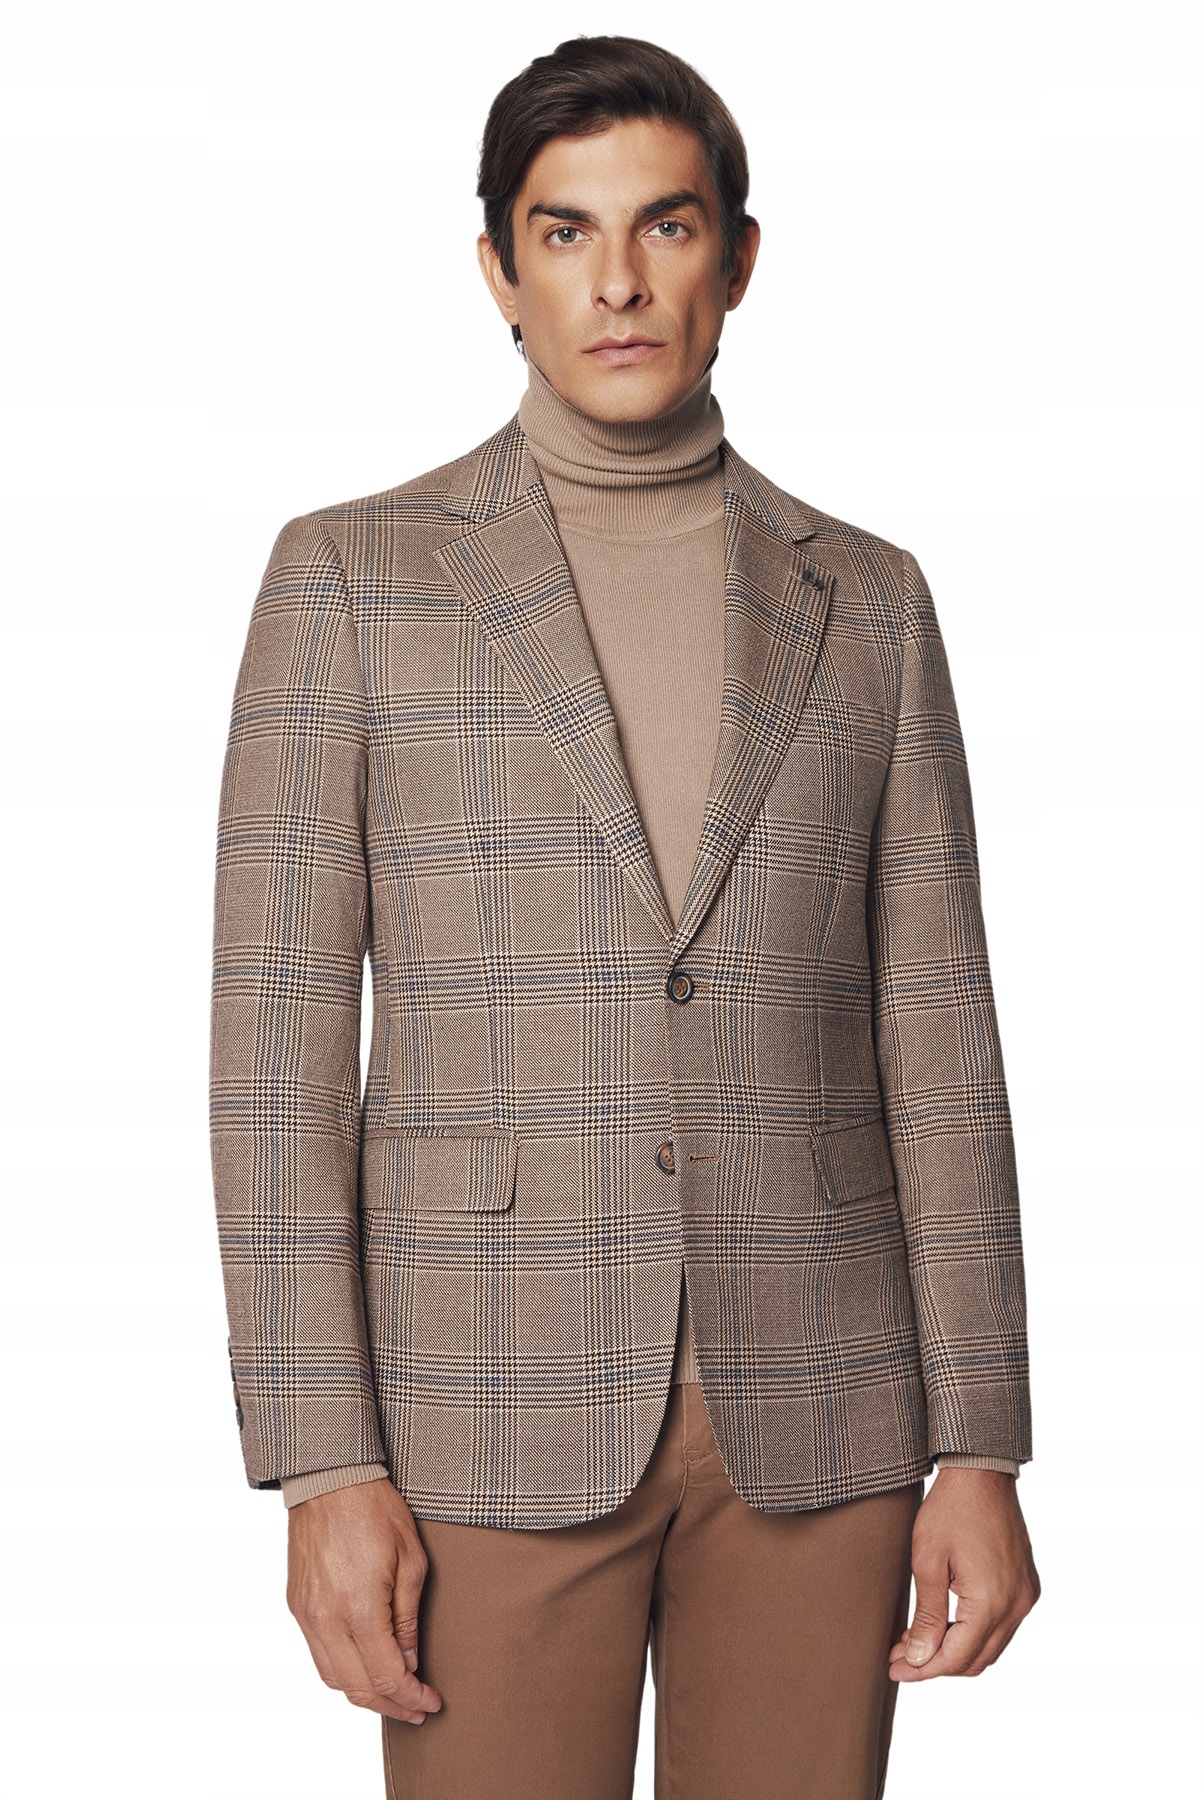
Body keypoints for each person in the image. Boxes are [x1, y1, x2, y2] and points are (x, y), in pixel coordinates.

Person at [209, 34, 1040, 1800]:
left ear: (736, 258)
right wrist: (321, 1464)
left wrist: (981, 1439)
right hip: (479, 1415)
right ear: (498, 269)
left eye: (664, 226)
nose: (618, 282)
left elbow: (939, 1039)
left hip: (827, 1417)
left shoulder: (870, 601)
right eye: (564, 231)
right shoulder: (350, 579)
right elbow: (275, 1059)